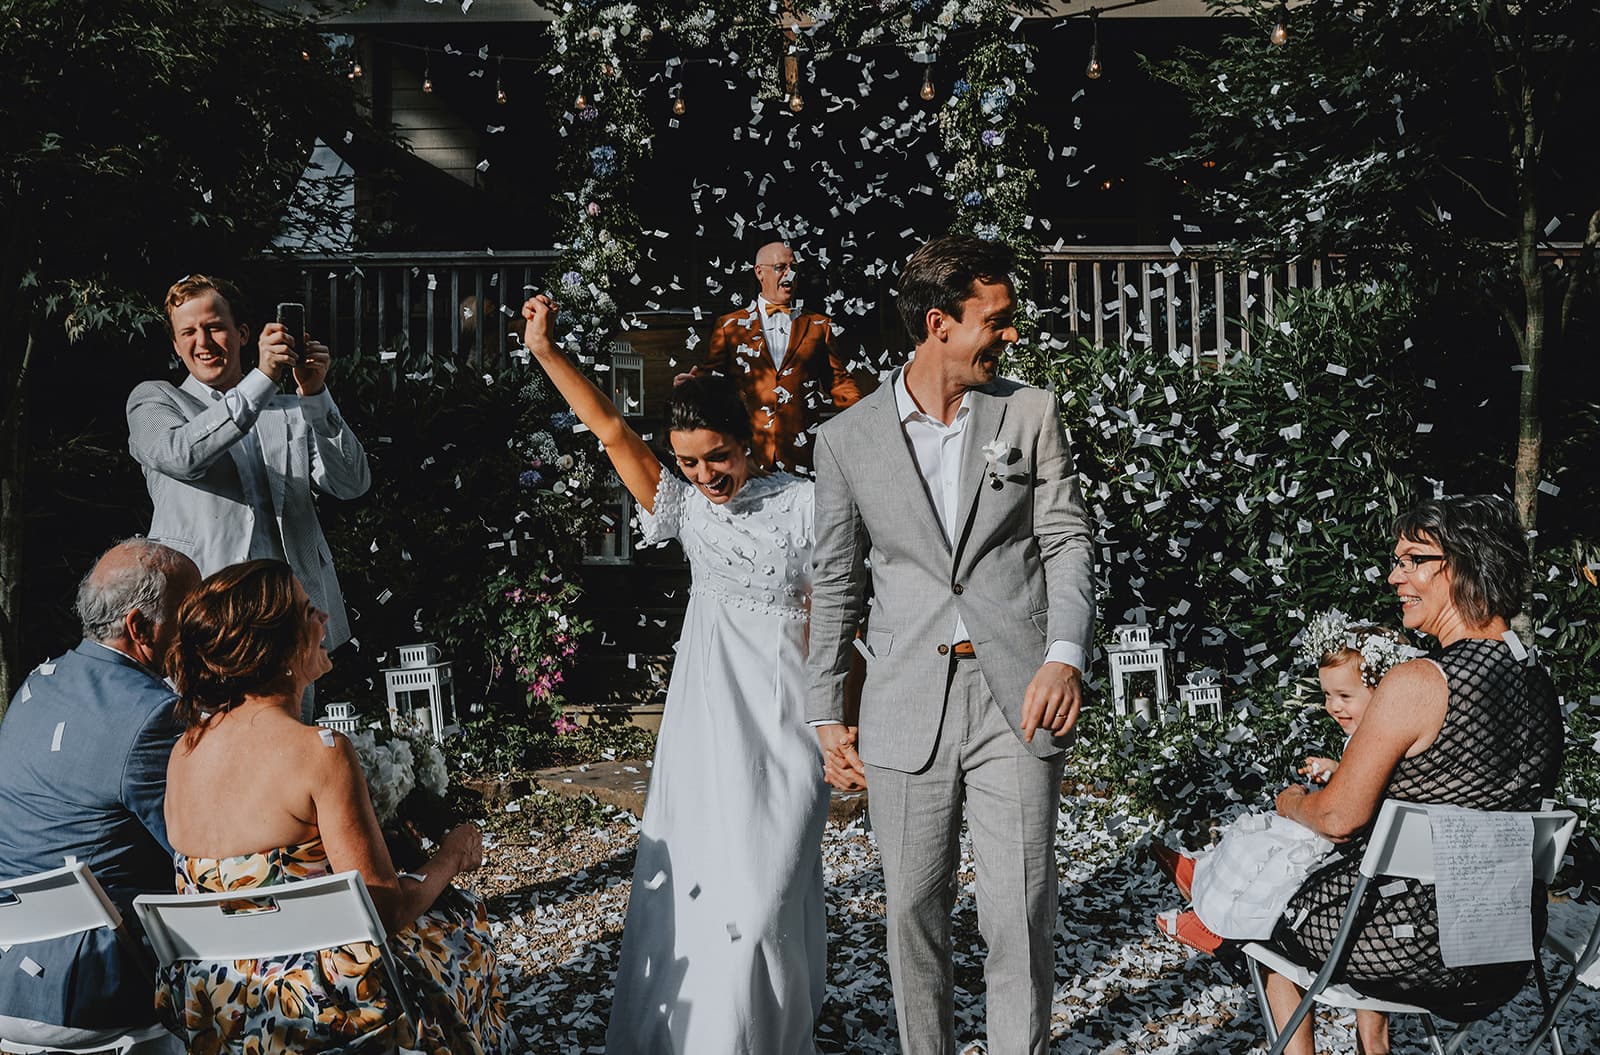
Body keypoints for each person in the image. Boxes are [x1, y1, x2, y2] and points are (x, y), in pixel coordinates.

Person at [806, 233, 1095, 1055]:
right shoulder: (845, 439)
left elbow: (1068, 540)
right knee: (911, 912)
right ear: (940, 323)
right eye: (995, 321)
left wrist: (1064, 653)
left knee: (1018, 913)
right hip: (904, 700)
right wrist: (828, 710)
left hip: (1020, 694)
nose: (1011, 336)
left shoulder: (1029, 411)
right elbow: (836, 581)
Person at [521, 293, 829, 1054]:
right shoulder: (686, 509)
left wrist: (840, 716)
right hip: (708, 721)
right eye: (689, 461)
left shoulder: (806, 505)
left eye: (716, 456)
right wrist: (546, 351)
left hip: (790, 718)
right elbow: (609, 428)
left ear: (749, 437)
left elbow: (838, 614)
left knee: (767, 894)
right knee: (704, 886)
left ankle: (772, 1032)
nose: (704, 474)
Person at [155, 560, 509, 1054]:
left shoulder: (184, 751)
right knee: (460, 934)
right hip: (314, 1008)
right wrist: (451, 855)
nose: (323, 617)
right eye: (306, 610)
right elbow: (387, 910)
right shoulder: (319, 752)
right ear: (275, 646)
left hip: (224, 1007)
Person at [1259, 495, 1563, 1055]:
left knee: (1252, 909)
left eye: (1412, 560)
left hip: (1412, 951)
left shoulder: (1418, 682)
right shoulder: (1538, 682)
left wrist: (1293, 801)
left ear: (1467, 564)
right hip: (1504, 952)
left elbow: (1339, 818)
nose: (1395, 576)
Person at [126, 274, 370, 722]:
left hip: (289, 619)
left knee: (289, 753)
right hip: (206, 621)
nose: (203, 341)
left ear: (241, 333)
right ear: (177, 345)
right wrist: (262, 379)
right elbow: (183, 455)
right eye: (188, 332)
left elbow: (352, 483)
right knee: (213, 750)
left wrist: (315, 395)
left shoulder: (291, 410)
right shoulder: (155, 401)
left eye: (215, 327)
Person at [0, 539, 199, 1054]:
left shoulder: (32, 687)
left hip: (9, 981)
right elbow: (199, 851)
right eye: (192, 616)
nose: (203, 632)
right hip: (104, 991)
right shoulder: (154, 714)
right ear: (141, 628)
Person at [680, 240, 862, 475]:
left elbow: (839, 383)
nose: (790, 274)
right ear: (759, 273)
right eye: (780, 268)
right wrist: (689, 389)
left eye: (793, 268)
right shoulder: (729, 327)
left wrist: (865, 414)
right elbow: (711, 382)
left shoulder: (819, 326)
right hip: (746, 456)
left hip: (802, 456)